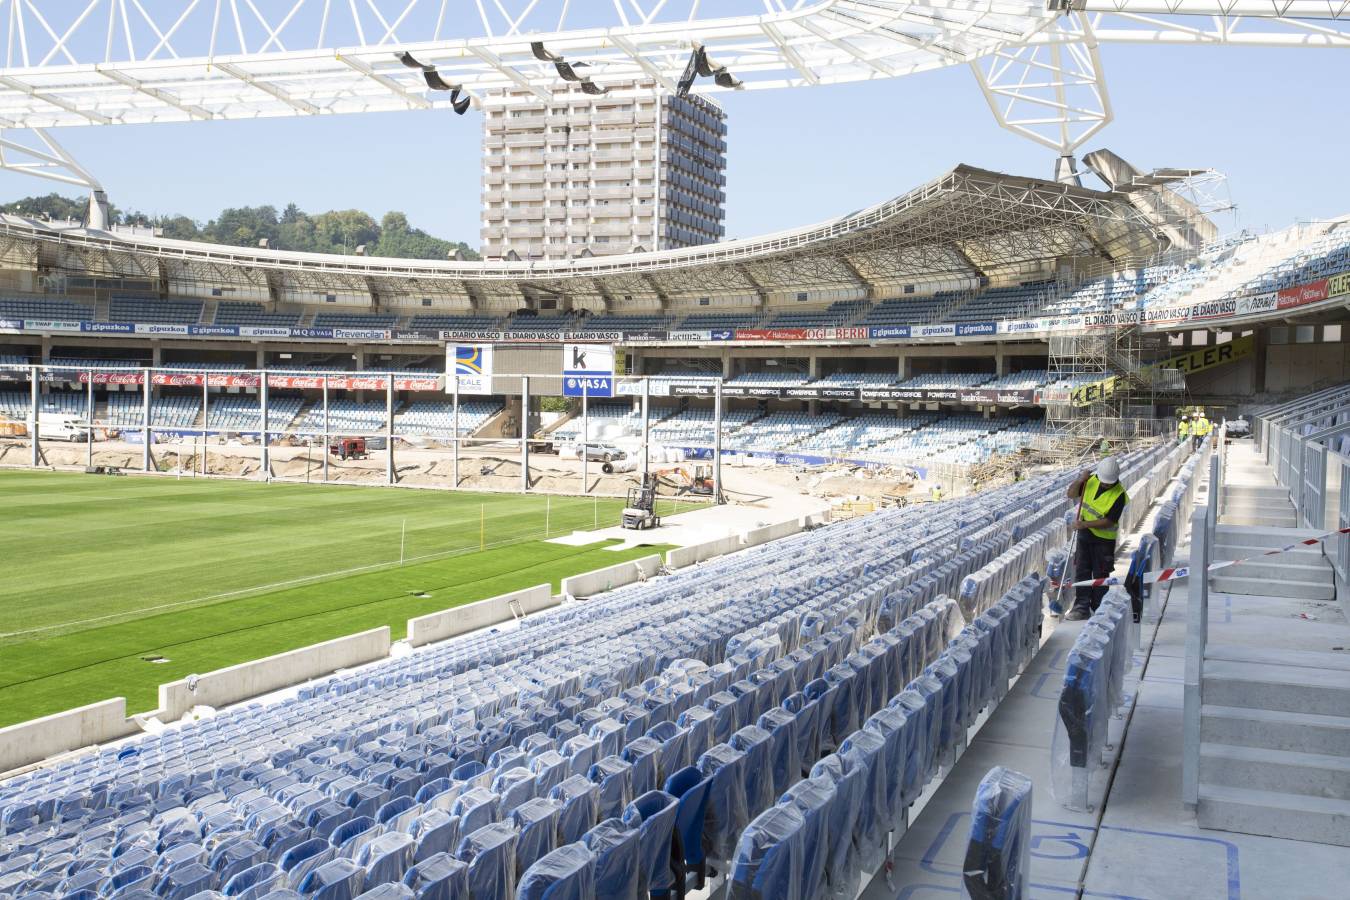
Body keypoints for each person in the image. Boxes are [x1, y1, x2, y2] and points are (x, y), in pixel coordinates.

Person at [1064, 456, 1128, 621]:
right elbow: (1071, 494)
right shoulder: (1090, 481)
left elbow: (1109, 521)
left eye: (1109, 482)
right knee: (1082, 570)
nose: (1106, 484)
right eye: (1104, 481)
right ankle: (1081, 607)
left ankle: (1099, 607)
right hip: (1085, 536)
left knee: (1100, 574)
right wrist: (1080, 480)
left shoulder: (1119, 495)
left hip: (1104, 540)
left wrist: (1084, 525)